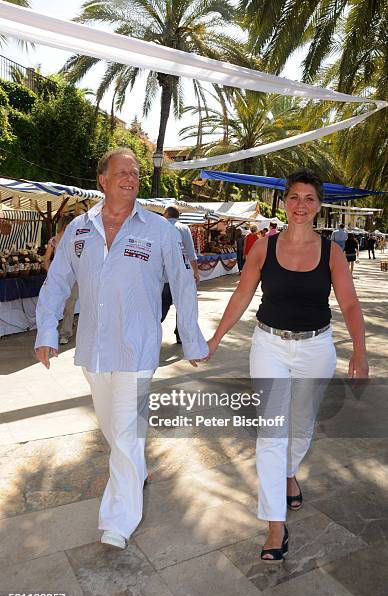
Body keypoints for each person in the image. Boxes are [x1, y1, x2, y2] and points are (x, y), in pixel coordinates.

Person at [35, 147, 208, 550]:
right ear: (103, 180)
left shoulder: (160, 230)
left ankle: (119, 520)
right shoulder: (79, 229)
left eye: (135, 173)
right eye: (122, 172)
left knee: (126, 432)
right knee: (113, 430)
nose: (131, 178)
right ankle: (135, 471)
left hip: (138, 347)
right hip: (93, 350)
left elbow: (182, 284)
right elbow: (58, 281)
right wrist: (47, 332)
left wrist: (192, 338)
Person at [205, 168, 368, 562]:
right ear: (285, 201)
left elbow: (348, 303)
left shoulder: (331, 252)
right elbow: (243, 294)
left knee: (302, 425)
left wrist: (359, 350)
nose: (301, 205)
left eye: (309, 199)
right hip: (269, 346)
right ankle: (275, 524)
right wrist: (215, 338)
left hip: (315, 348)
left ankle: (290, 472)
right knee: (272, 432)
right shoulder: (263, 247)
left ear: (318, 205)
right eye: (294, 197)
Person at [161, 205, 200, 344]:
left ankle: (152, 330)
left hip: (162, 276)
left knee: (162, 305)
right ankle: (180, 335)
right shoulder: (184, 228)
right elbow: (191, 253)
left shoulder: (159, 227)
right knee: (182, 306)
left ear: (166, 213)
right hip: (181, 275)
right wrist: (195, 272)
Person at [43, 215, 79, 345]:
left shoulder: (75, 239)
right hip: (60, 279)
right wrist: (50, 275)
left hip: (74, 278)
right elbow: (46, 259)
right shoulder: (54, 241)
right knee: (59, 306)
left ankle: (65, 333)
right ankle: (64, 328)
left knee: (69, 305)